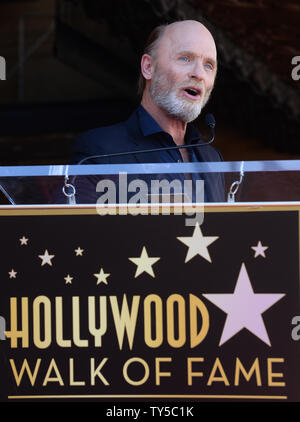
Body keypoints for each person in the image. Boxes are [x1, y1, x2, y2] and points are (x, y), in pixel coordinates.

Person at [69, 20, 224, 204]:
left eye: (208, 65)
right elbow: (76, 231)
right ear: (148, 67)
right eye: (185, 58)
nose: (199, 73)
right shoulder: (99, 151)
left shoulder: (212, 158)